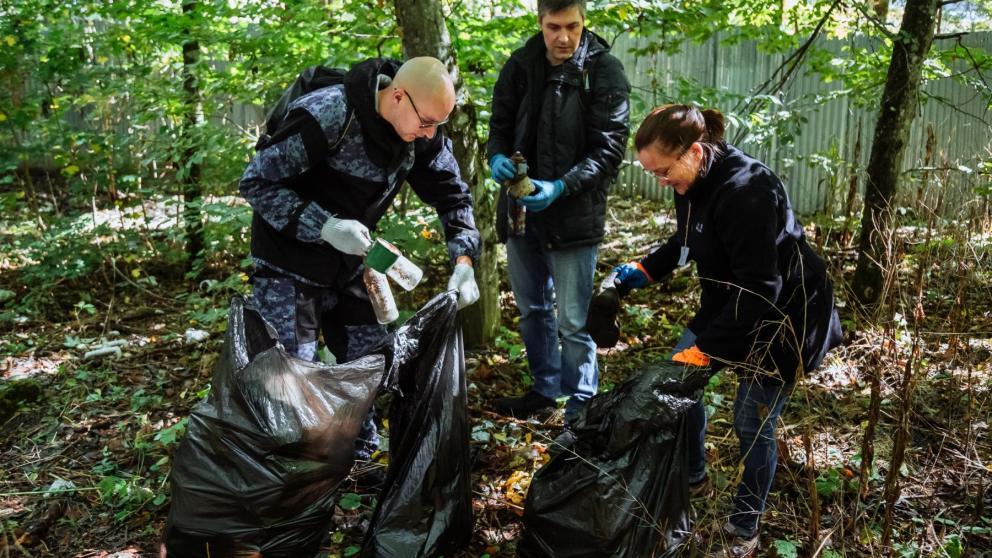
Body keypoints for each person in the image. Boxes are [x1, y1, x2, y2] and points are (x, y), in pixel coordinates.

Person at [613, 104, 843, 557]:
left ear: (695, 151)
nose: (661, 181)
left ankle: (744, 527)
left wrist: (707, 351)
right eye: (653, 174)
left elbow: (760, 288)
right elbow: (687, 239)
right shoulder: (691, 179)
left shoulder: (747, 192)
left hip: (783, 315)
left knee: (751, 419)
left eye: (663, 171)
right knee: (678, 385)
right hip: (728, 303)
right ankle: (695, 478)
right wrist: (645, 269)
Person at [239, 56, 481, 473]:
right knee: (292, 377)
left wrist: (464, 259)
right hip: (288, 263)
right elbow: (256, 182)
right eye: (426, 122)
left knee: (368, 362)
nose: (430, 135)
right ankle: (289, 478)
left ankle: (360, 465)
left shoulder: (421, 132)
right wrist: (325, 225)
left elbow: (453, 196)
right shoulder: (330, 115)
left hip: (352, 262)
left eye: (437, 126)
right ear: (398, 96)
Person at [485, 0, 631, 434]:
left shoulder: (604, 71)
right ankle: (545, 389)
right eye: (554, 27)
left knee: (572, 318)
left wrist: (561, 187)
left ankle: (581, 406)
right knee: (531, 309)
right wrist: (495, 157)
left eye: (572, 26)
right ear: (540, 23)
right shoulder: (521, 63)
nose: (564, 37)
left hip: (574, 215)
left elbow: (608, 151)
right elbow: (499, 124)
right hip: (520, 211)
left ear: (584, 23)